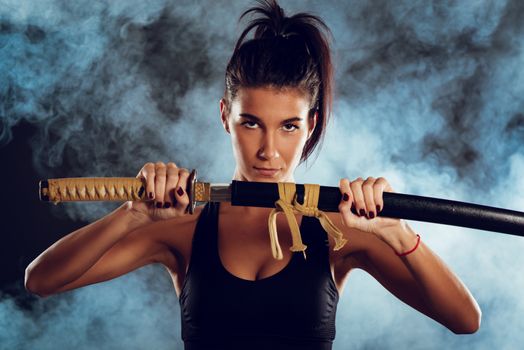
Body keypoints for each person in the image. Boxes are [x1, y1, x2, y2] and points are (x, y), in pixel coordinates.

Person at [25, 0, 481, 349]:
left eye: (288, 127)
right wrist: (132, 215)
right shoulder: (182, 231)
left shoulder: (340, 232)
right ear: (225, 116)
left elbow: (465, 321)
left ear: (312, 125)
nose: (268, 150)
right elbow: (40, 280)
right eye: (251, 123)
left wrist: (399, 235)